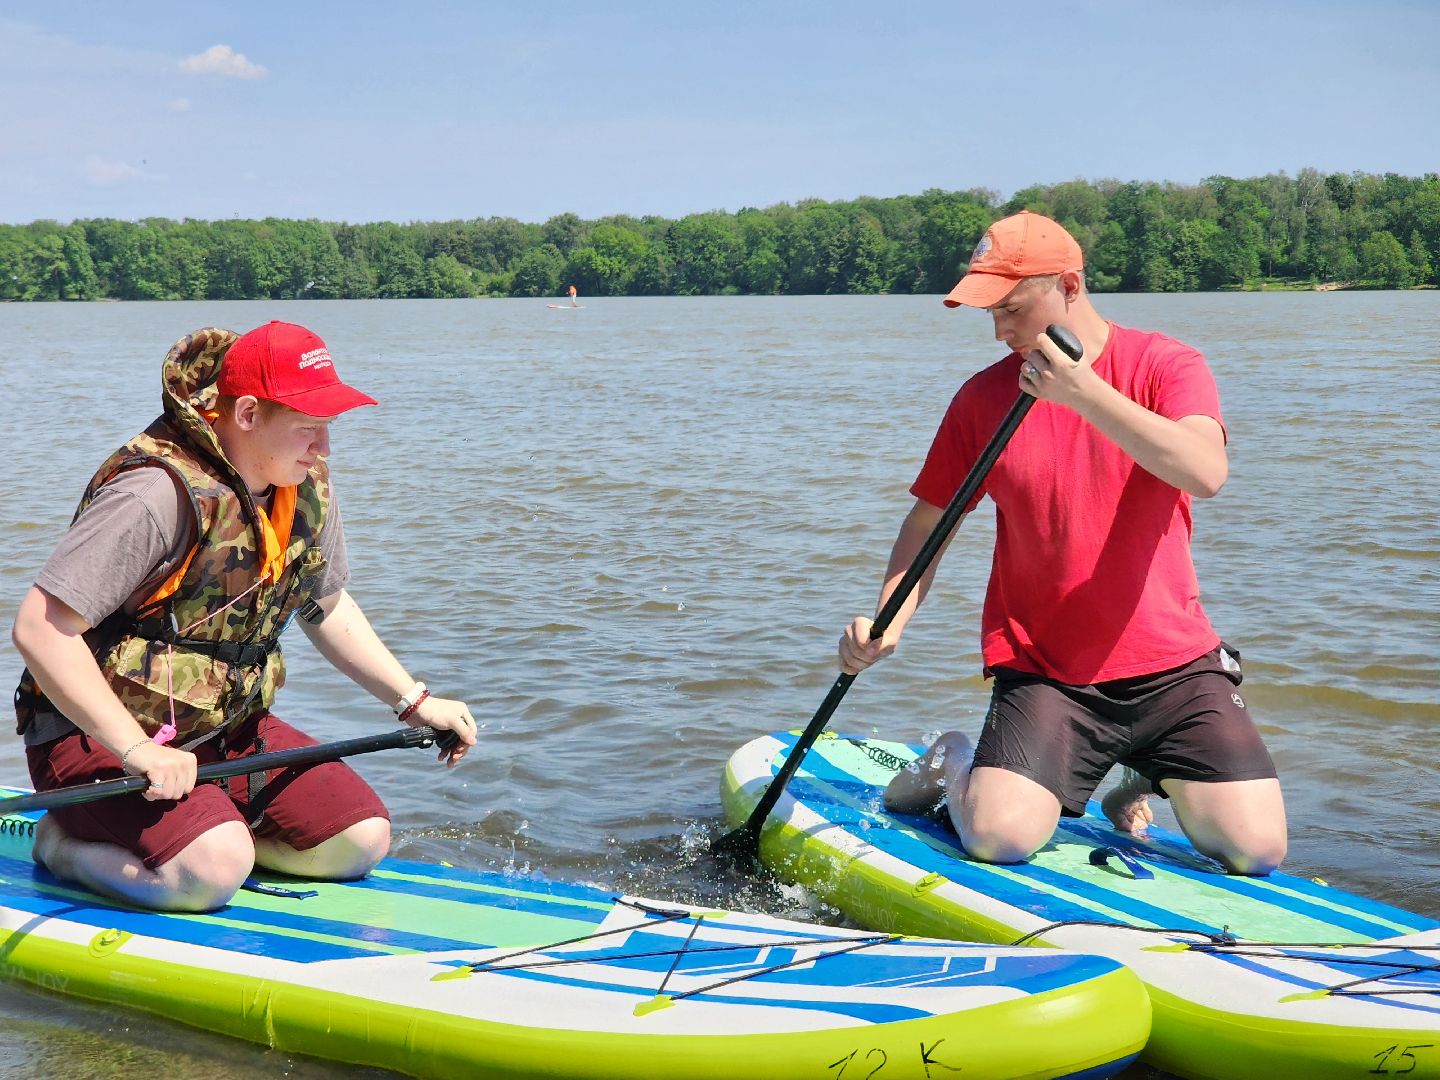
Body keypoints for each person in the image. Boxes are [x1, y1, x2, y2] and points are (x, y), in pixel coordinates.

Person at [839, 211, 1287, 876]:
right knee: (999, 838)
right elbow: (930, 522)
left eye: (1013, 309)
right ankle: (955, 760)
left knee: (1257, 851)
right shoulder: (981, 400)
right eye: (989, 313)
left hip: (1176, 666)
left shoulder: (1167, 364)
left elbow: (1206, 471)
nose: (1000, 330)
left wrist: (1083, 393)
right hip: (1048, 672)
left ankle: (1143, 776)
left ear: (1070, 285)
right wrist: (887, 619)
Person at [10, 321, 479, 911]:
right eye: (309, 427)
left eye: (328, 427)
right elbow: (40, 628)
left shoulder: (301, 487)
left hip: (220, 727)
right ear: (249, 414)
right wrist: (137, 750)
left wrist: (415, 701)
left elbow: (323, 604)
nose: (324, 447)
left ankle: (205, 832)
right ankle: (62, 846)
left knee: (359, 840)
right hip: (96, 735)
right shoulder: (154, 493)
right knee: (214, 869)